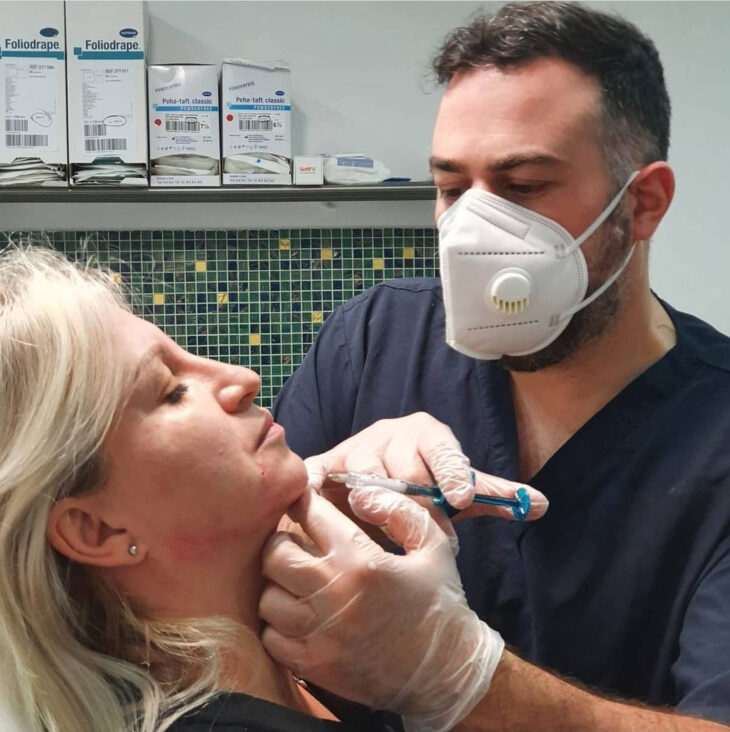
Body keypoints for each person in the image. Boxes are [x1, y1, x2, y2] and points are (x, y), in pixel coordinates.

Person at [269, 1, 730, 729]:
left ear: (643, 203)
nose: (472, 234)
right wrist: (316, 503)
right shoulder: (375, 342)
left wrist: (456, 675)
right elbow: (228, 604)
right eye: (452, 190)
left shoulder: (714, 437)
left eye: (524, 187)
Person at [0, 245, 432, 732]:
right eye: (172, 391)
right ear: (96, 530)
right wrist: (463, 680)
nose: (243, 378)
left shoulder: (298, 674)